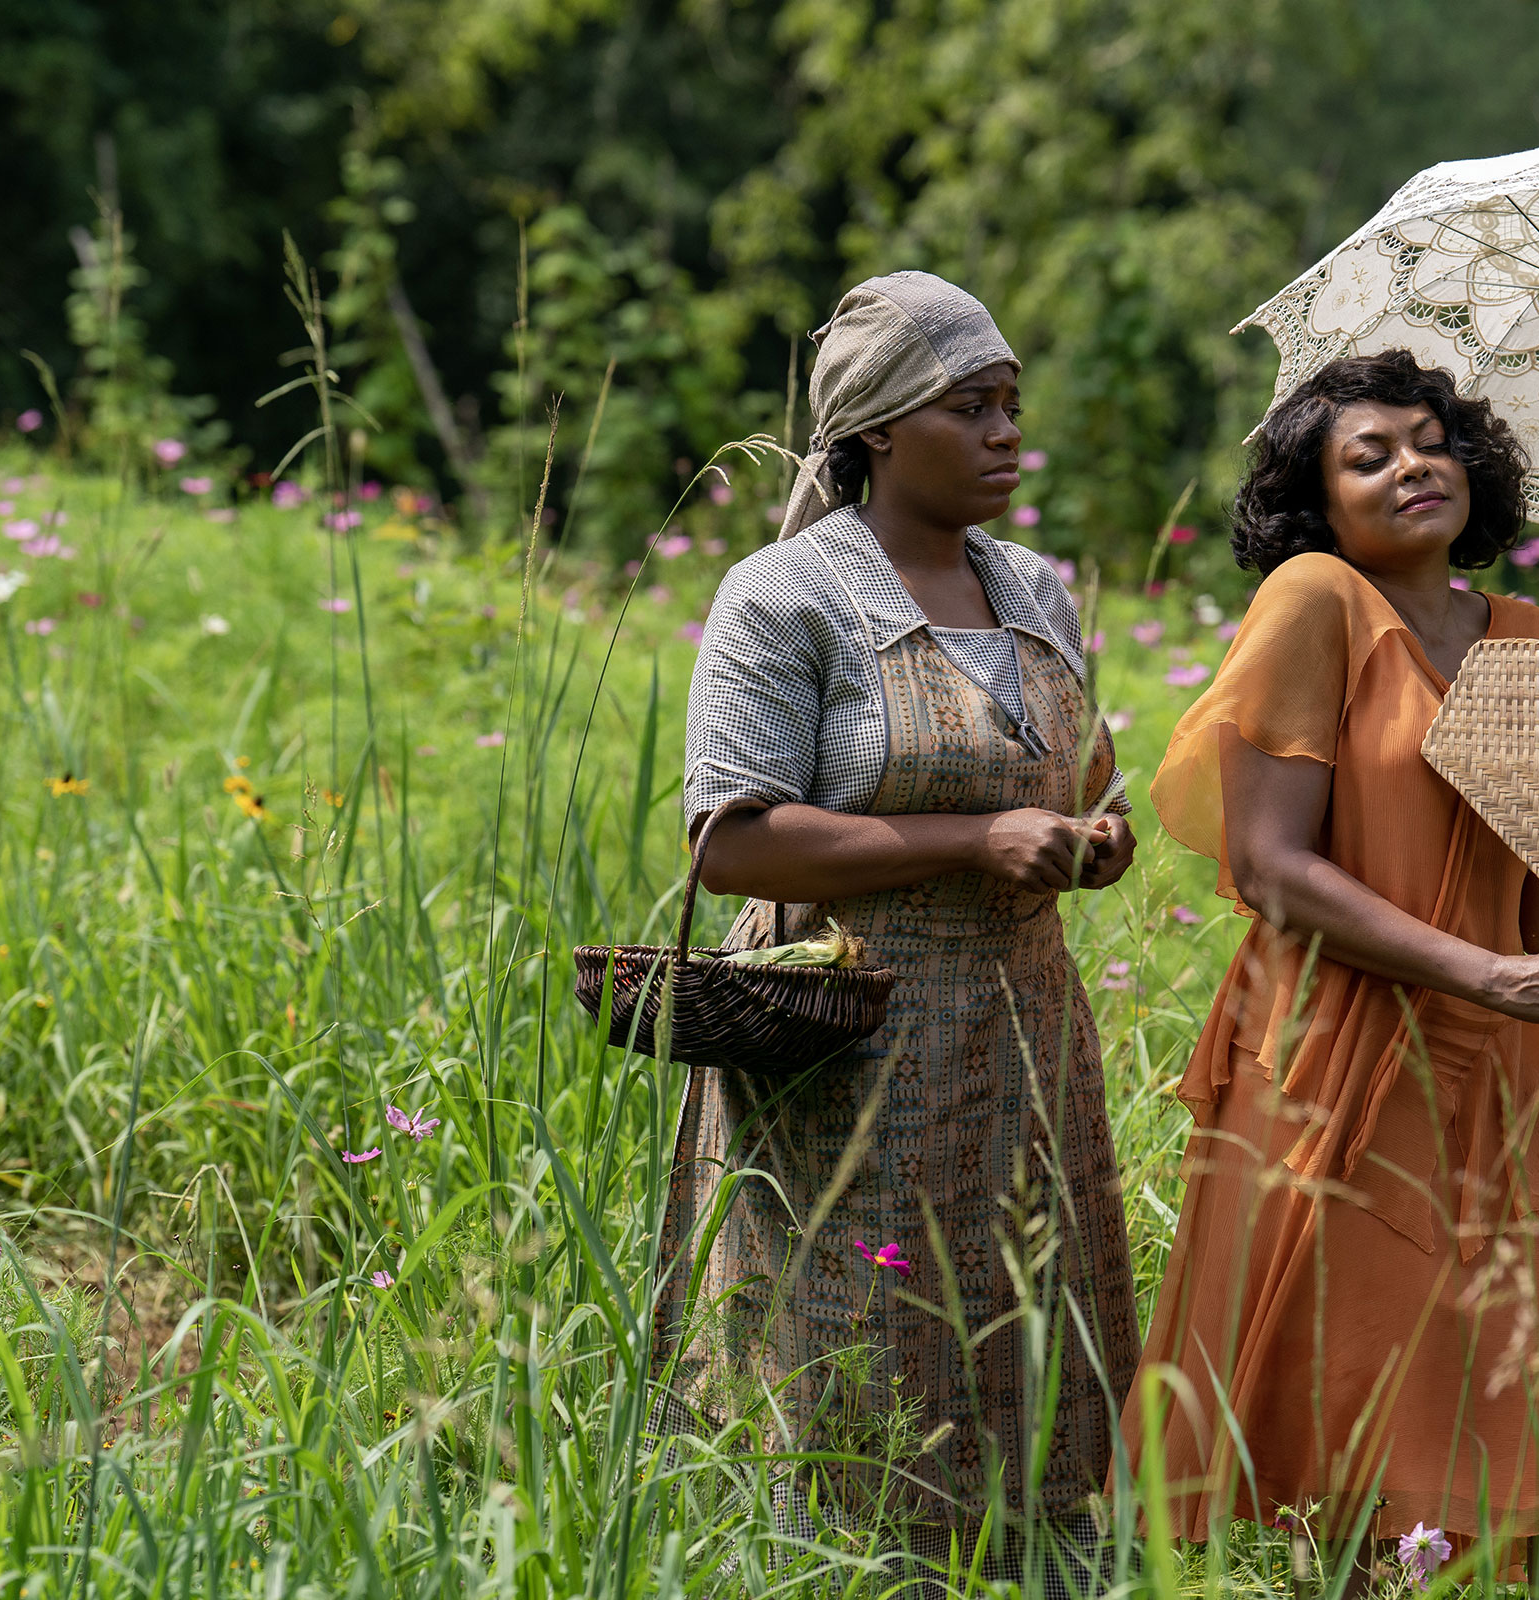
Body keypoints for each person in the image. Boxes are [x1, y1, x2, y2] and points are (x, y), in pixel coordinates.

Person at [1117, 350, 1539, 1594]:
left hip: (1501, 1069)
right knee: (1385, 1409)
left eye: (1433, 440)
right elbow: (1268, 866)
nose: (1416, 463)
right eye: (1371, 454)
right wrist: (1480, 970)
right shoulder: (1318, 601)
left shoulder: (1530, 638)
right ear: (1323, 501)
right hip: (1341, 1065)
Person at [660, 270, 1142, 1587]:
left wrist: (1096, 839)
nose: (1005, 435)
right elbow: (730, 841)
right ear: (877, 426)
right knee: (860, 1351)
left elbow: (1096, 786)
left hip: (1023, 1046)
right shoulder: (789, 597)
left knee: (1027, 1339)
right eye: (970, 407)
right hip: (851, 1045)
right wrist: (971, 843)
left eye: (1011, 407)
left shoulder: (1034, 588)